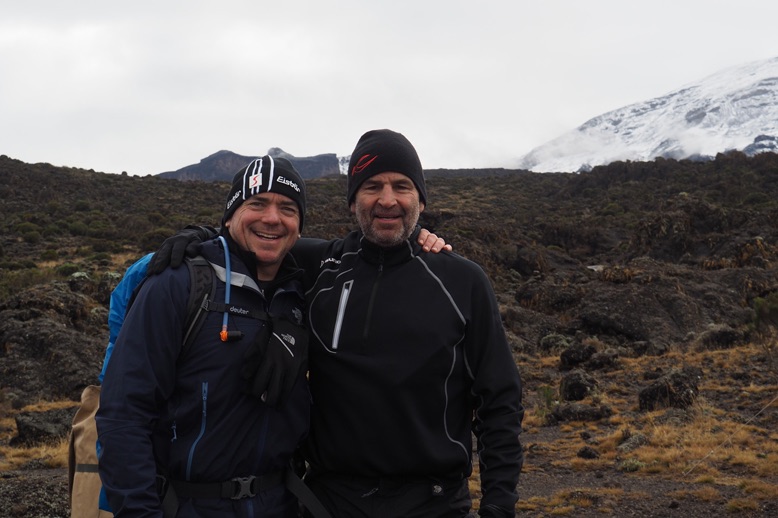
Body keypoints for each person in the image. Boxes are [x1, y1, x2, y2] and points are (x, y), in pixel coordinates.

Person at [289, 129, 524, 517]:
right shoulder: (318, 266)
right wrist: (193, 239)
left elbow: (499, 399)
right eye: (371, 186)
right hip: (328, 501)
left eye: (402, 186)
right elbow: (250, 237)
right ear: (352, 201)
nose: (387, 199)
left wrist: (499, 505)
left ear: (420, 199)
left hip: (433, 502)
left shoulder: (461, 281)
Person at [96, 156, 311, 517]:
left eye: (287, 208)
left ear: (300, 226)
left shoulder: (303, 295)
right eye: (256, 204)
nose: (272, 218)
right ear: (229, 216)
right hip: (187, 505)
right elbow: (123, 414)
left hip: (280, 503)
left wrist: (420, 237)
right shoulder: (179, 284)